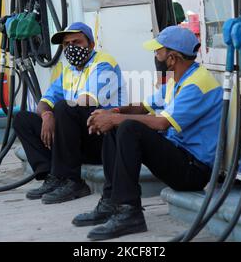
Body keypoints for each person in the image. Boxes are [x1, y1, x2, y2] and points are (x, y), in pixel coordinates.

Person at [72, 26, 223, 240]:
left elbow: (161, 123)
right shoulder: (178, 80)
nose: (156, 57)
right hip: (178, 157)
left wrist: (116, 119)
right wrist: (113, 112)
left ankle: (129, 212)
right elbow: (144, 107)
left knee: (129, 127)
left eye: (158, 52)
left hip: (193, 170)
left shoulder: (197, 84)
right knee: (119, 125)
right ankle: (111, 202)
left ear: (171, 58)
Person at [13, 22, 124, 204]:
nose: (71, 48)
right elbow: (44, 102)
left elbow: (86, 101)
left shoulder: (104, 63)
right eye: (67, 44)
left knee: (65, 107)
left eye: (77, 42)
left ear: (91, 44)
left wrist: (56, 114)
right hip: (74, 139)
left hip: (101, 139)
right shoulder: (69, 72)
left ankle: (73, 181)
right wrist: (47, 116)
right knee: (22, 119)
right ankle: (53, 176)